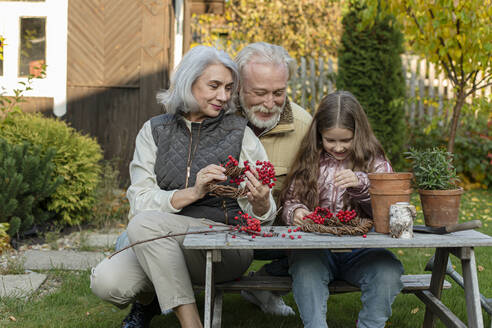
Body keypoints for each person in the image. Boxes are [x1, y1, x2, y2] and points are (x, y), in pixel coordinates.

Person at [90, 45, 276, 328]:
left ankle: (191, 323)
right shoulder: (154, 131)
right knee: (108, 282)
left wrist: (262, 202)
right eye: (214, 86)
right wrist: (194, 192)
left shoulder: (240, 133)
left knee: (143, 227)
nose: (223, 96)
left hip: (224, 246)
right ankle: (168, 290)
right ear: (188, 82)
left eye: (228, 87)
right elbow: (139, 201)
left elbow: (264, 215)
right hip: (160, 242)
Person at [280, 91, 404, 328]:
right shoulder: (310, 160)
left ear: (359, 134)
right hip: (316, 249)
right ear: (319, 135)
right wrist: (295, 212)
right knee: (306, 270)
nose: (338, 147)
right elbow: (290, 200)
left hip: (363, 250)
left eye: (345, 140)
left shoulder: (374, 162)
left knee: (388, 271)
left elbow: (389, 208)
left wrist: (362, 185)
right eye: (330, 140)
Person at [233, 42, 312, 316]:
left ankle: (266, 286)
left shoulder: (303, 126)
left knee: (320, 245)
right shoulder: (217, 118)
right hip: (220, 231)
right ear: (239, 86)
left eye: (278, 93)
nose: (269, 103)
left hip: (278, 237)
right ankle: (168, 298)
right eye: (259, 93)